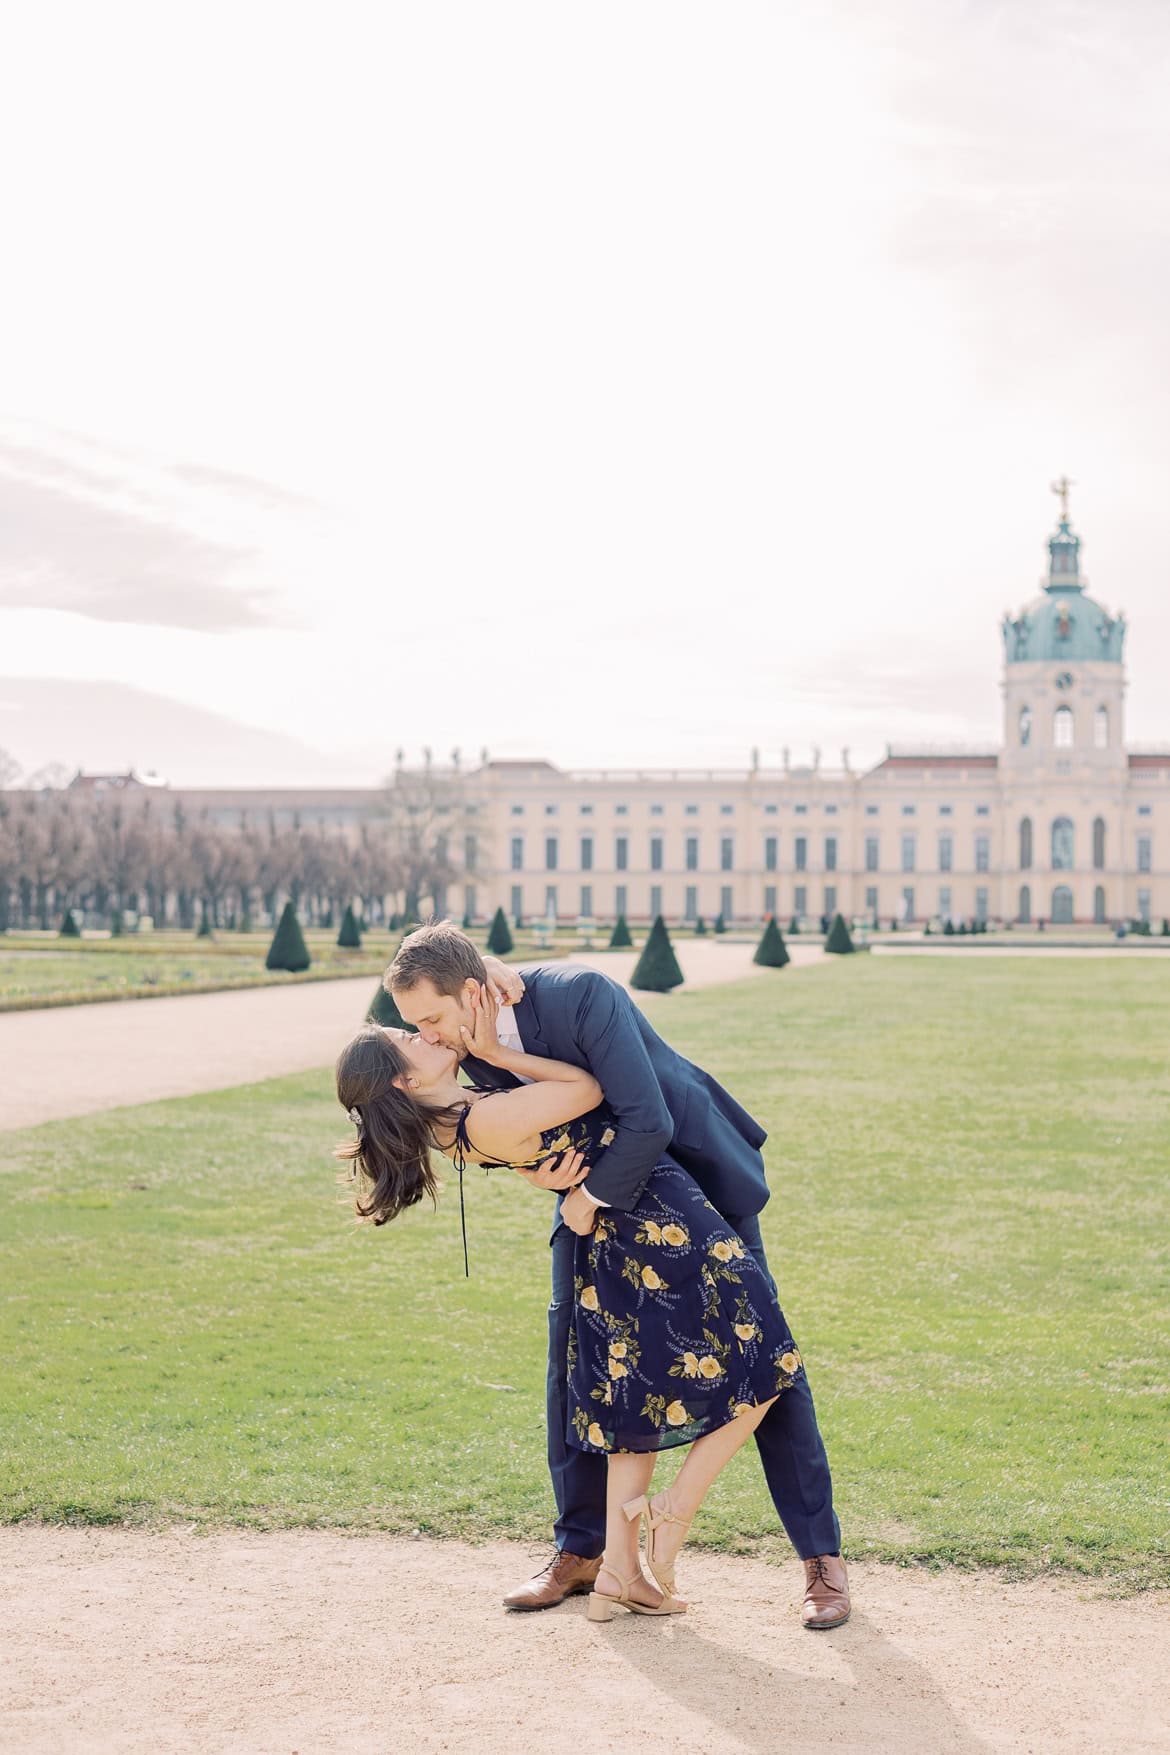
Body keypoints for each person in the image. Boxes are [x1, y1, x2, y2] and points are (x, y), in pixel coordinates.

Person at [379, 921, 849, 1630]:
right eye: (417, 1026)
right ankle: (585, 1552)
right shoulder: (457, 1036)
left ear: (472, 990)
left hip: (689, 1172)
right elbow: (505, 1126)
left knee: (763, 1348)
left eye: (433, 1019)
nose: (430, 1036)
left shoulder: (581, 995)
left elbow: (645, 1117)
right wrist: (542, 1173)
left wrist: (584, 1194)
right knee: (579, 1355)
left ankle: (820, 1560)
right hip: (595, 1206)